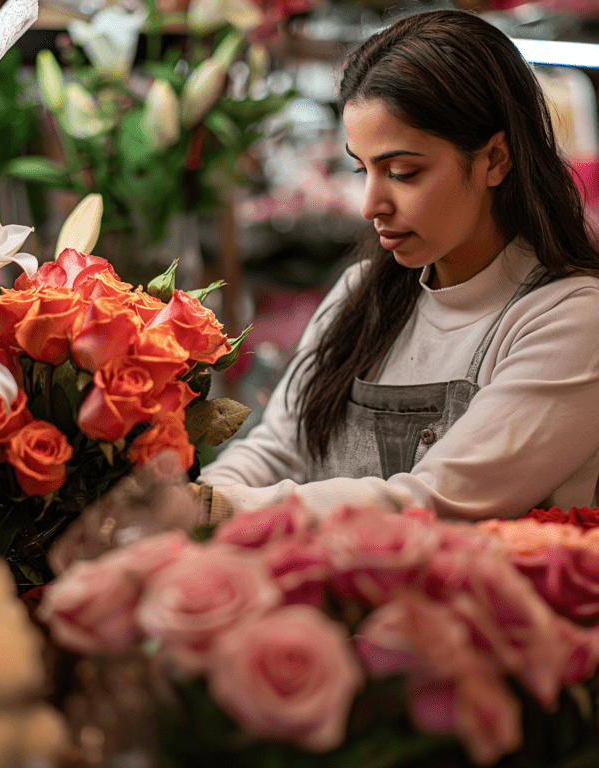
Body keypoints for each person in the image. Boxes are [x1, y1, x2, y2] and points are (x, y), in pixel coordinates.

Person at [196, 8, 599, 522]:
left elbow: (432, 501)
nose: (370, 205)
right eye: (361, 168)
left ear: (496, 159)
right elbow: (276, 449)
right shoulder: (361, 291)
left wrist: (214, 508)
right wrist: (193, 501)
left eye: (403, 172)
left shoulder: (569, 318)